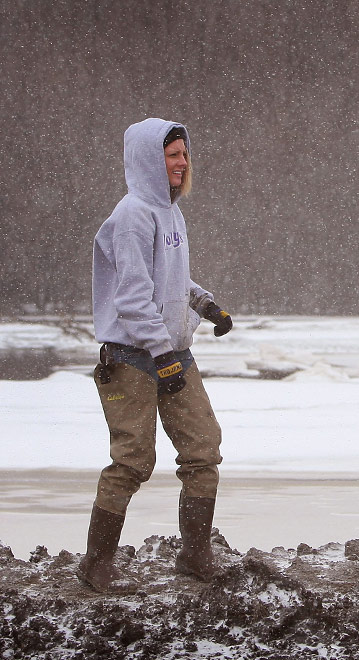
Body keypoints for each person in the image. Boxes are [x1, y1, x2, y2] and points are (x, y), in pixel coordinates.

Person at [79, 118, 234, 593]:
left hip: (173, 354)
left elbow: (171, 279)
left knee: (203, 448)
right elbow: (132, 296)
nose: (181, 162)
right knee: (131, 460)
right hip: (130, 358)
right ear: (150, 159)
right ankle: (97, 564)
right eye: (172, 155)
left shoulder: (171, 212)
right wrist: (162, 353)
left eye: (184, 154)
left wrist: (205, 304)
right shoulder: (131, 216)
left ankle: (194, 554)